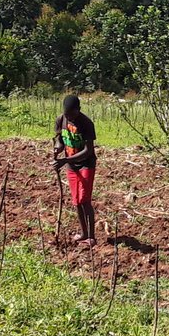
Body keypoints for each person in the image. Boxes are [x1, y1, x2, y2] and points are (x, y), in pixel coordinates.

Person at [53, 94, 97, 245]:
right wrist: (58, 147)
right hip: (71, 165)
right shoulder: (61, 119)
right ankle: (83, 233)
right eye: (67, 114)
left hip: (86, 164)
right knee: (76, 201)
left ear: (78, 110)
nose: (69, 117)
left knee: (85, 200)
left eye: (72, 114)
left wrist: (65, 160)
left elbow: (88, 150)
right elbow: (59, 138)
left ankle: (91, 236)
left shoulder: (86, 124)